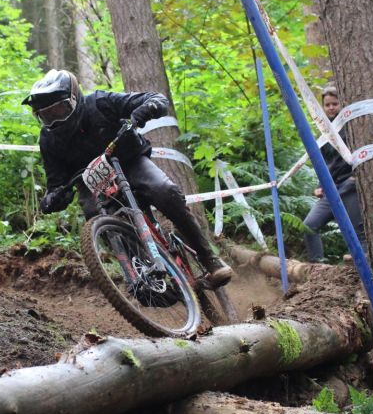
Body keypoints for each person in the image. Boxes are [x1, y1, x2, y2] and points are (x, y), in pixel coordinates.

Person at [22, 69, 232, 288]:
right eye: (47, 116)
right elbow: (56, 183)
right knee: (97, 218)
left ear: (74, 100)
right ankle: (140, 272)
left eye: (60, 110)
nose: (55, 121)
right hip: (92, 184)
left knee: (164, 190)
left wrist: (145, 110)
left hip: (129, 163)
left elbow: (156, 99)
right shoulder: (48, 139)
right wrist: (54, 198)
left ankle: (209, 259)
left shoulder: (100, 102)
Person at [303, 86, 366, 262]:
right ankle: (318, 269)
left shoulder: (352, 127)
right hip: (331, 189)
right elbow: (323, 164)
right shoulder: (323, 131)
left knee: (358, 234)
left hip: (351, 187)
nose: (331, 107)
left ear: (342, 104)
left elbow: (362, 155)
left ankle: (363, 273)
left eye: (335, 104)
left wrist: (354, 179)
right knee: (309, 226)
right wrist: (320, 185)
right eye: (327, 105)